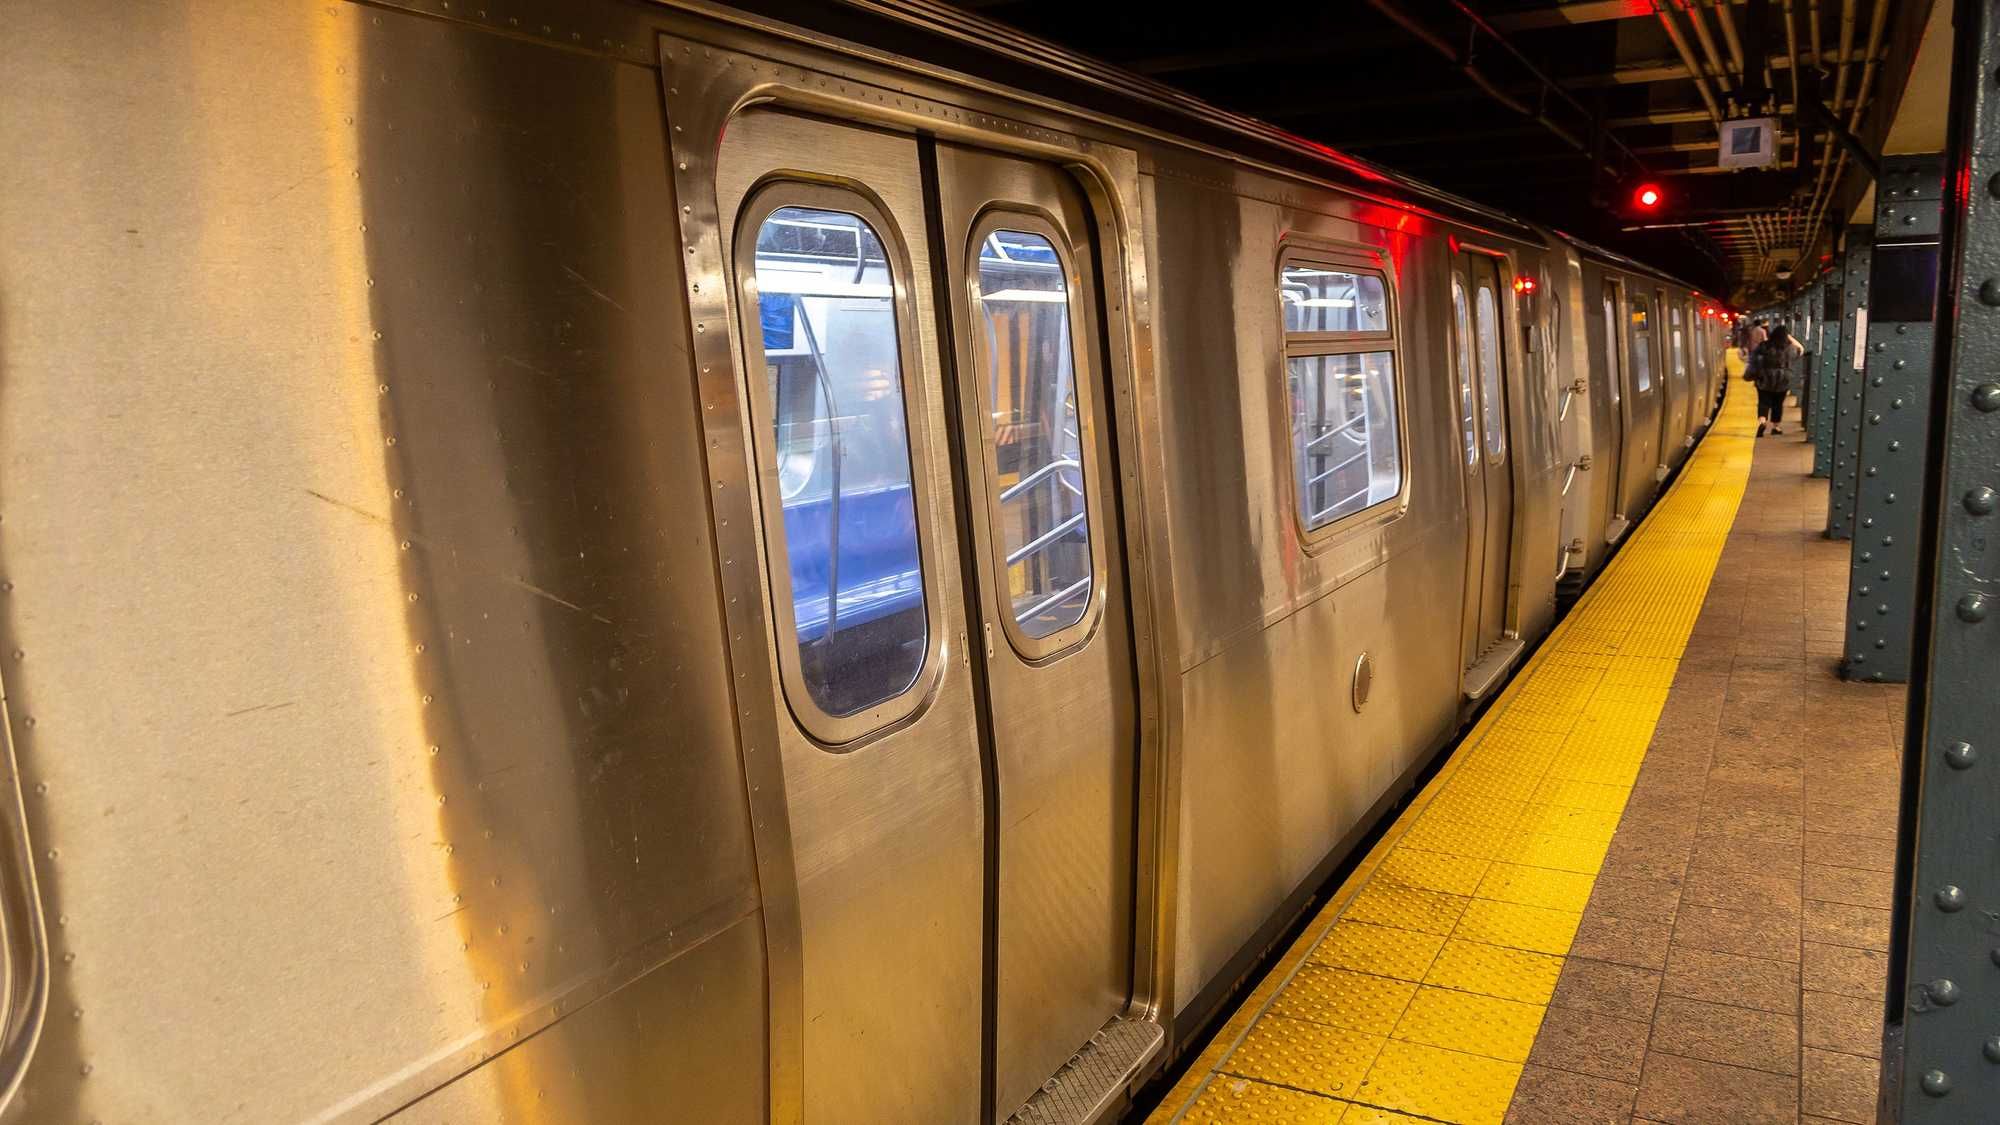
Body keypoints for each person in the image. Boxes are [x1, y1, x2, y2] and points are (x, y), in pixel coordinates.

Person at [1748, 324, 1804, 436]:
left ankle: (1762, 421)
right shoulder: (1789, 348)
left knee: (1763, 402)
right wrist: (1790, 337)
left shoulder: (1764, 346)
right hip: (1782, 379)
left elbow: (1753, 358)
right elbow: (1801, 349)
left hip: (1765, 377)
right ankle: (1776, 427)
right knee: (1778, 403)